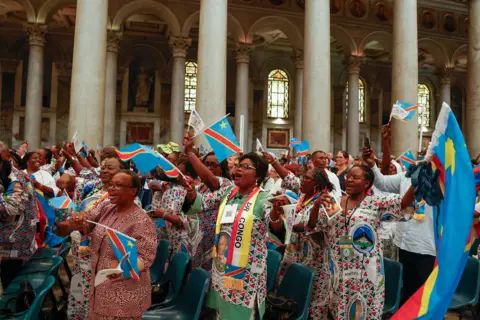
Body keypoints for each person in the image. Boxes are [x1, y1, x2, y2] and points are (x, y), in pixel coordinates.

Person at [307, 164, 415, 319]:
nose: (349, 180)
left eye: (355, 177)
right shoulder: (335, 202)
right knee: (339, 311)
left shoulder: (376, 203)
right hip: (339, 272)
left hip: (366, 275)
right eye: (348, 176)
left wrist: (415, 185)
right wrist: (316, 207)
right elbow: (312, 226)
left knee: (365, 312)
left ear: (367, 183)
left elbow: (404, 204)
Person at [183, 152, 270, 319]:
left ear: (258, 175)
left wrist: (276, 218)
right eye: (238, 166)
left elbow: (276, 225)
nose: (238, 170)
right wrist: (190, 192)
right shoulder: (228, 192)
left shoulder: (264, 199)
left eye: (246, 167)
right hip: (221, 268)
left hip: (245, 275)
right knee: (221, 313)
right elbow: (201, 203)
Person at [69, 171, 157, 320]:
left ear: (133, 191)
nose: (112, 188)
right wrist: (78, 220)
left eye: (119, 185)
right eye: (111, 184)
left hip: (123, 295)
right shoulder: (107, 208)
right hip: (100, 288)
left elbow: (145, 257)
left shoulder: (141, 221)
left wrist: (123, 267)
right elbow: (86, 223)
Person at [362, 145, 435, 306]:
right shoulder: (407, 175)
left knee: (423, 295)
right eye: (426, 151)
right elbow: (382, 183)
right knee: (407, 291)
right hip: (405, 242)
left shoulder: (444, 180)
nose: (427, 154)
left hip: (428, 246)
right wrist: (372, 164)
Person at [271, 168, 334, 318]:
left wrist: (290, 220)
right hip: (294, 254)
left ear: (317, 185)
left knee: (312, 304)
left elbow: (311, 226)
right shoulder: (303, 196)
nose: (301, 180)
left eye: (306, 178)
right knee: (290, 301)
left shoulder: (327, 200)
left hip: (314, 261)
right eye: (302, 177)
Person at [181, 134, 233, 270]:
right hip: (196, 239)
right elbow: (191, 207)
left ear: (222, 168)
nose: (209, 167)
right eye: (206, 164)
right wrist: (190, 189)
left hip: (212, 241)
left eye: (213, 164)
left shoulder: (225, 184)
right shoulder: (199, 187)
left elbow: (209, 179)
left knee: (208, 277)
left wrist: (190, 153)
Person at [0, 146, 37, 288]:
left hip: (13, 244)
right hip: (13, 241)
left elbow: (13, 207)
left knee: (12, 287)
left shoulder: (15, 178)